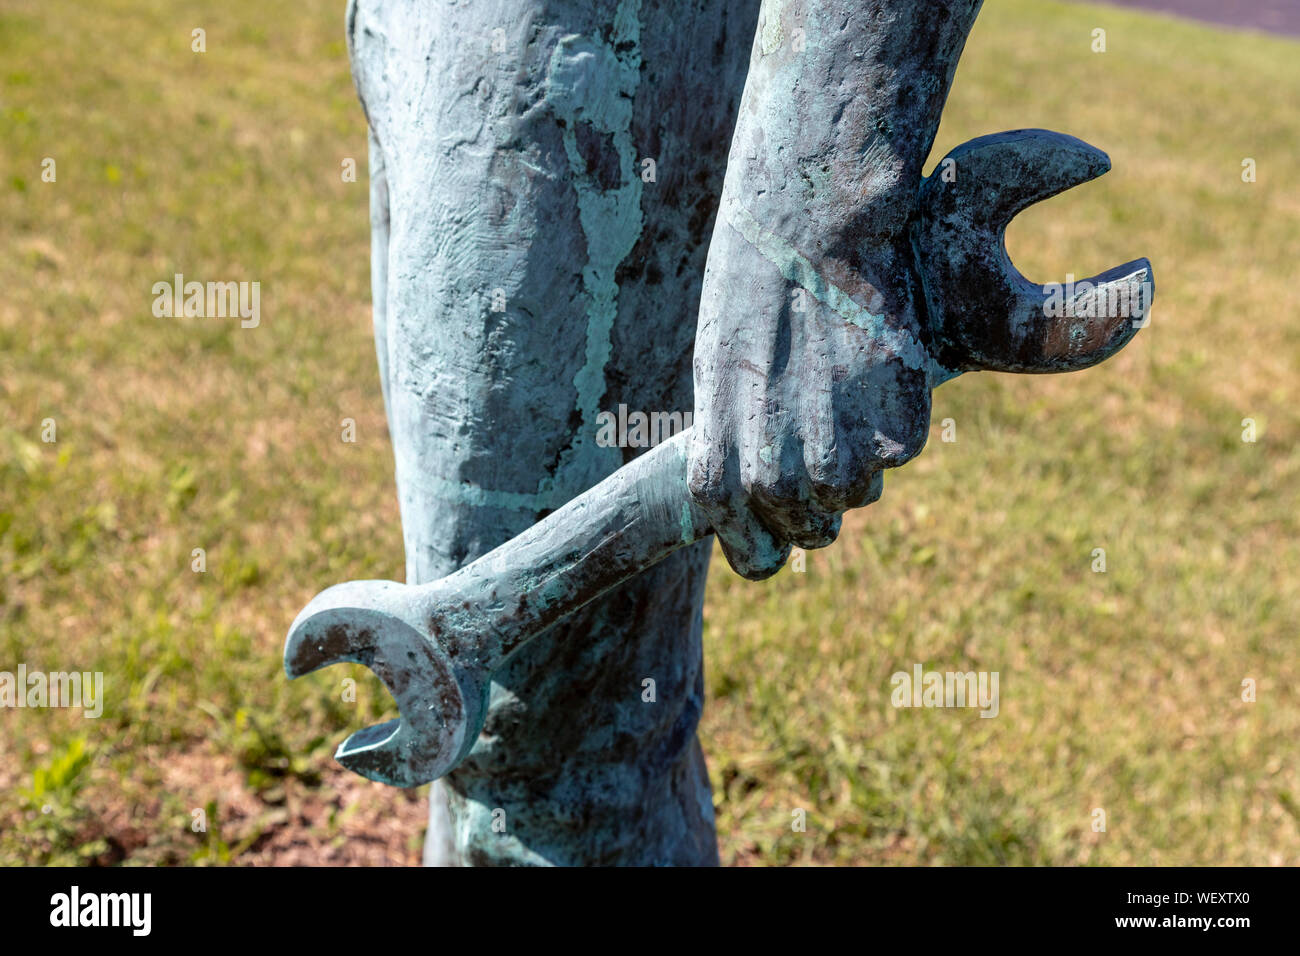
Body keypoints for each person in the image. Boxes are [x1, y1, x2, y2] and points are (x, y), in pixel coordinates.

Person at [345, 0, 985, 865]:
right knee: (488, 770)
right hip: (425, 37)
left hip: (596, 49)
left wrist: (815, 199)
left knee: (549, 759)